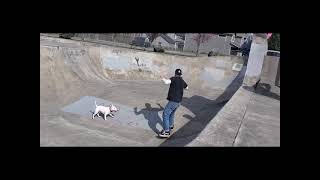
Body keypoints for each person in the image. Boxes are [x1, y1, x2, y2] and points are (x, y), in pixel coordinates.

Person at [158, 69, 188, 138]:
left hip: (173, 101)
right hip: (179, 102)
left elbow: (166, 82)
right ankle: (171, 126)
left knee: (165, 114)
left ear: (175, 74)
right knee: (171, 113)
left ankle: (166, 131)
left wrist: (162, 77)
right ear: (181, 74)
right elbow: (187, 87)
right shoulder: (182, 80)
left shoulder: (173, 78)